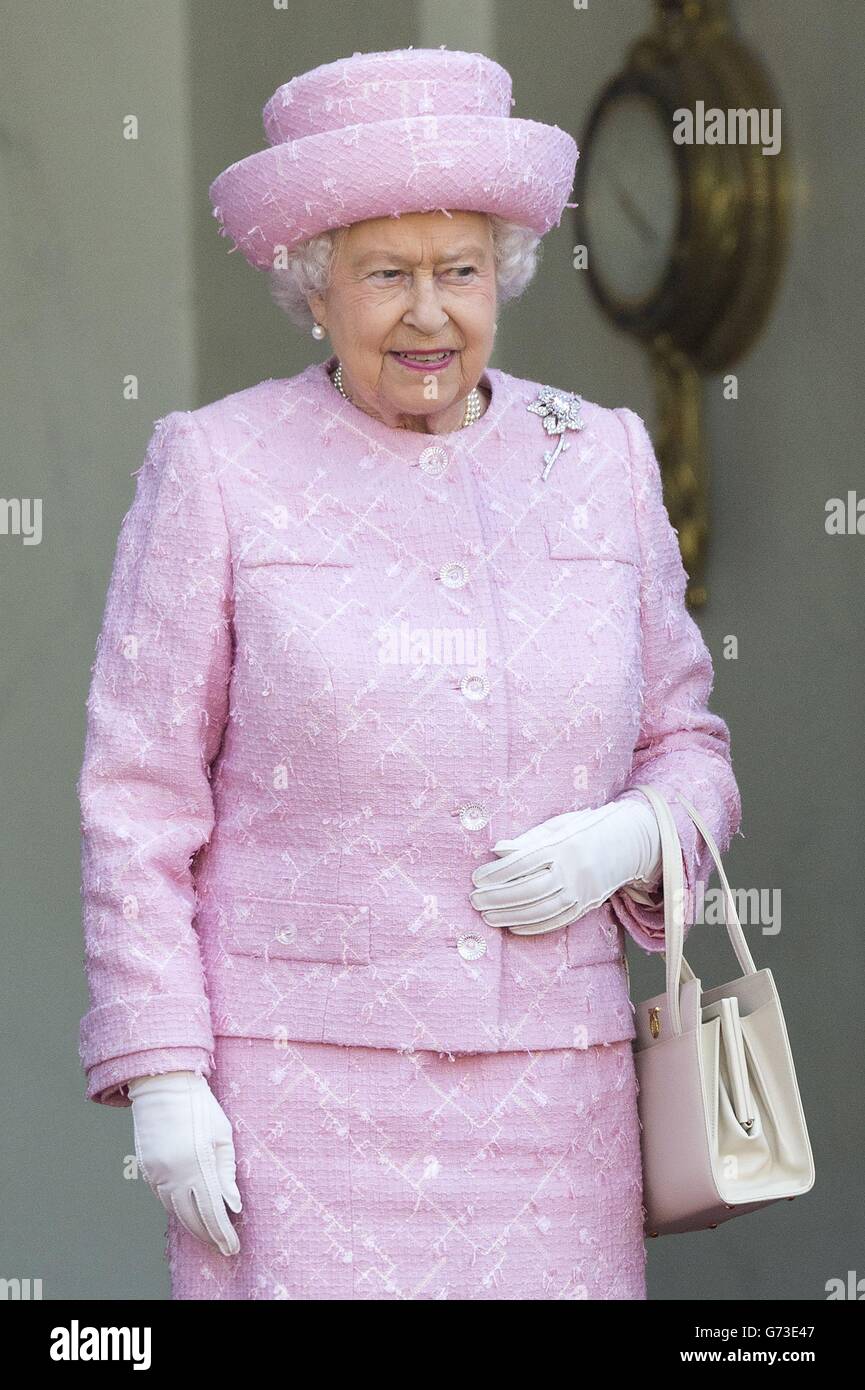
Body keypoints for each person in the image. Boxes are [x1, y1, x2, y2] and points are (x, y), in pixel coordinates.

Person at [77, 47, 741, 1301]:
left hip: (558, 1101)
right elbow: (138, 797)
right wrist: (166, 1072)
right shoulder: (218, 467)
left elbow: (686, 744)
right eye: (386, 275)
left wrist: (634, 834)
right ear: (311, 290)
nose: (429, 313)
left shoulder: (595, 456)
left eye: (461, 272)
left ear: (505, 276)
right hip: (294, 1093)